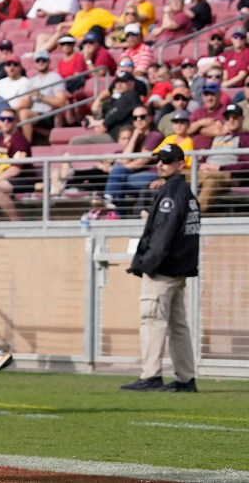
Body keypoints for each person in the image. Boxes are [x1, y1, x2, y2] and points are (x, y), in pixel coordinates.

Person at [121, 144, 200, 393]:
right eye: (159, 160)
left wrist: (145, 265)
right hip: (179, 270)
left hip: (163, 271)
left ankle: (151, 374)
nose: (160, 164)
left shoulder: (171, 195)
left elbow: (162, 237)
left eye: (166, 161)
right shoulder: (185, 193)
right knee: (178, 326)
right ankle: (186, 378)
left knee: (152, 320)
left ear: (180, 163)